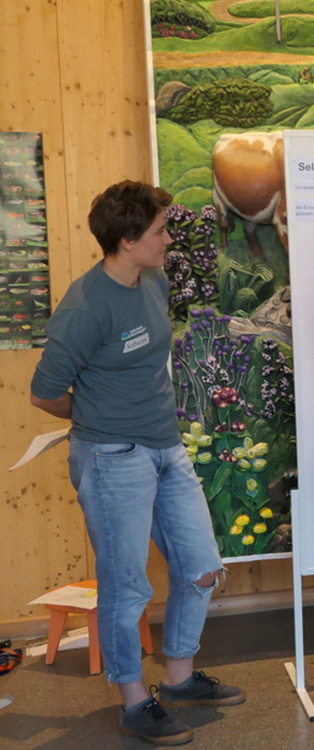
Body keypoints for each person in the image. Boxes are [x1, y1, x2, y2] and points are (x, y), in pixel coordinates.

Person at [30, 181, 244, 746]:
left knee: (200, 568)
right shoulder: (84, 307)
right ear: (126, 240)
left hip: (167, 448)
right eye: (159, 232)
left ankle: (177, 678)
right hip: (110, 457)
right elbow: (45, 392)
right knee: (126, 589)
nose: (169, 239)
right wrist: (98, 417)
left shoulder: (154, 279)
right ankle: (133, 700)